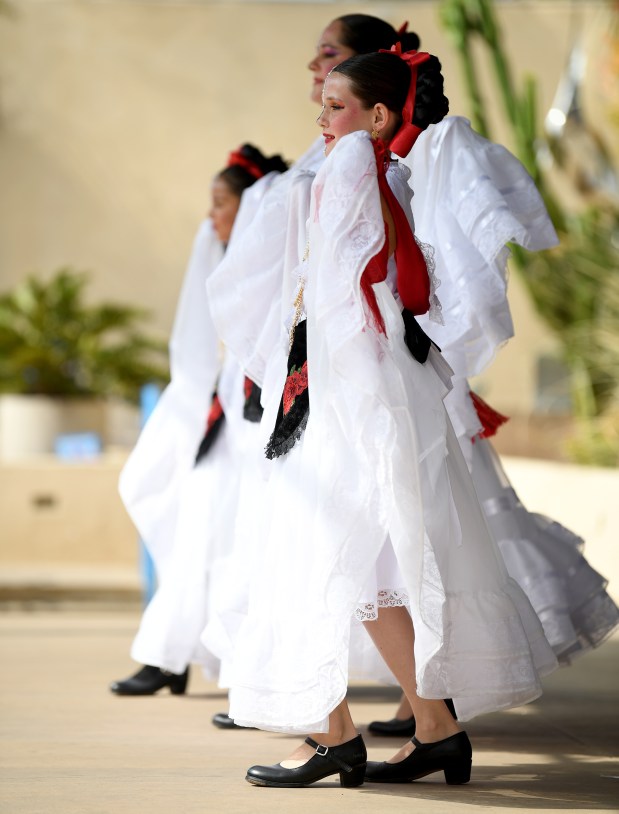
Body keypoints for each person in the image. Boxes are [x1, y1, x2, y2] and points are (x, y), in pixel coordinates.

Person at [208, 47, 558, 788]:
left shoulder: (341, 172)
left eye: (335, 106)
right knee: (364, 570)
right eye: (321, 107)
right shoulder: (385, 173)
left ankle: (334, 736)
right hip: (377, 382)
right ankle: (433, 728)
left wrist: (302, 391)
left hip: (342, 391)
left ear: (377, 114)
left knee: (309, 553)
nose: (322, 119)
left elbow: (330, 296)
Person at [110, 145, 288, 695]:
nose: (211, 218)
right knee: (191, 527)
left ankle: (233, 670)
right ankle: (170, 655)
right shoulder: (213, 248)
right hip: (218, 414)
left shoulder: (277, 255)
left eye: (220, 204)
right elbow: (193, 342)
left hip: (260, 416)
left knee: (244, 542)